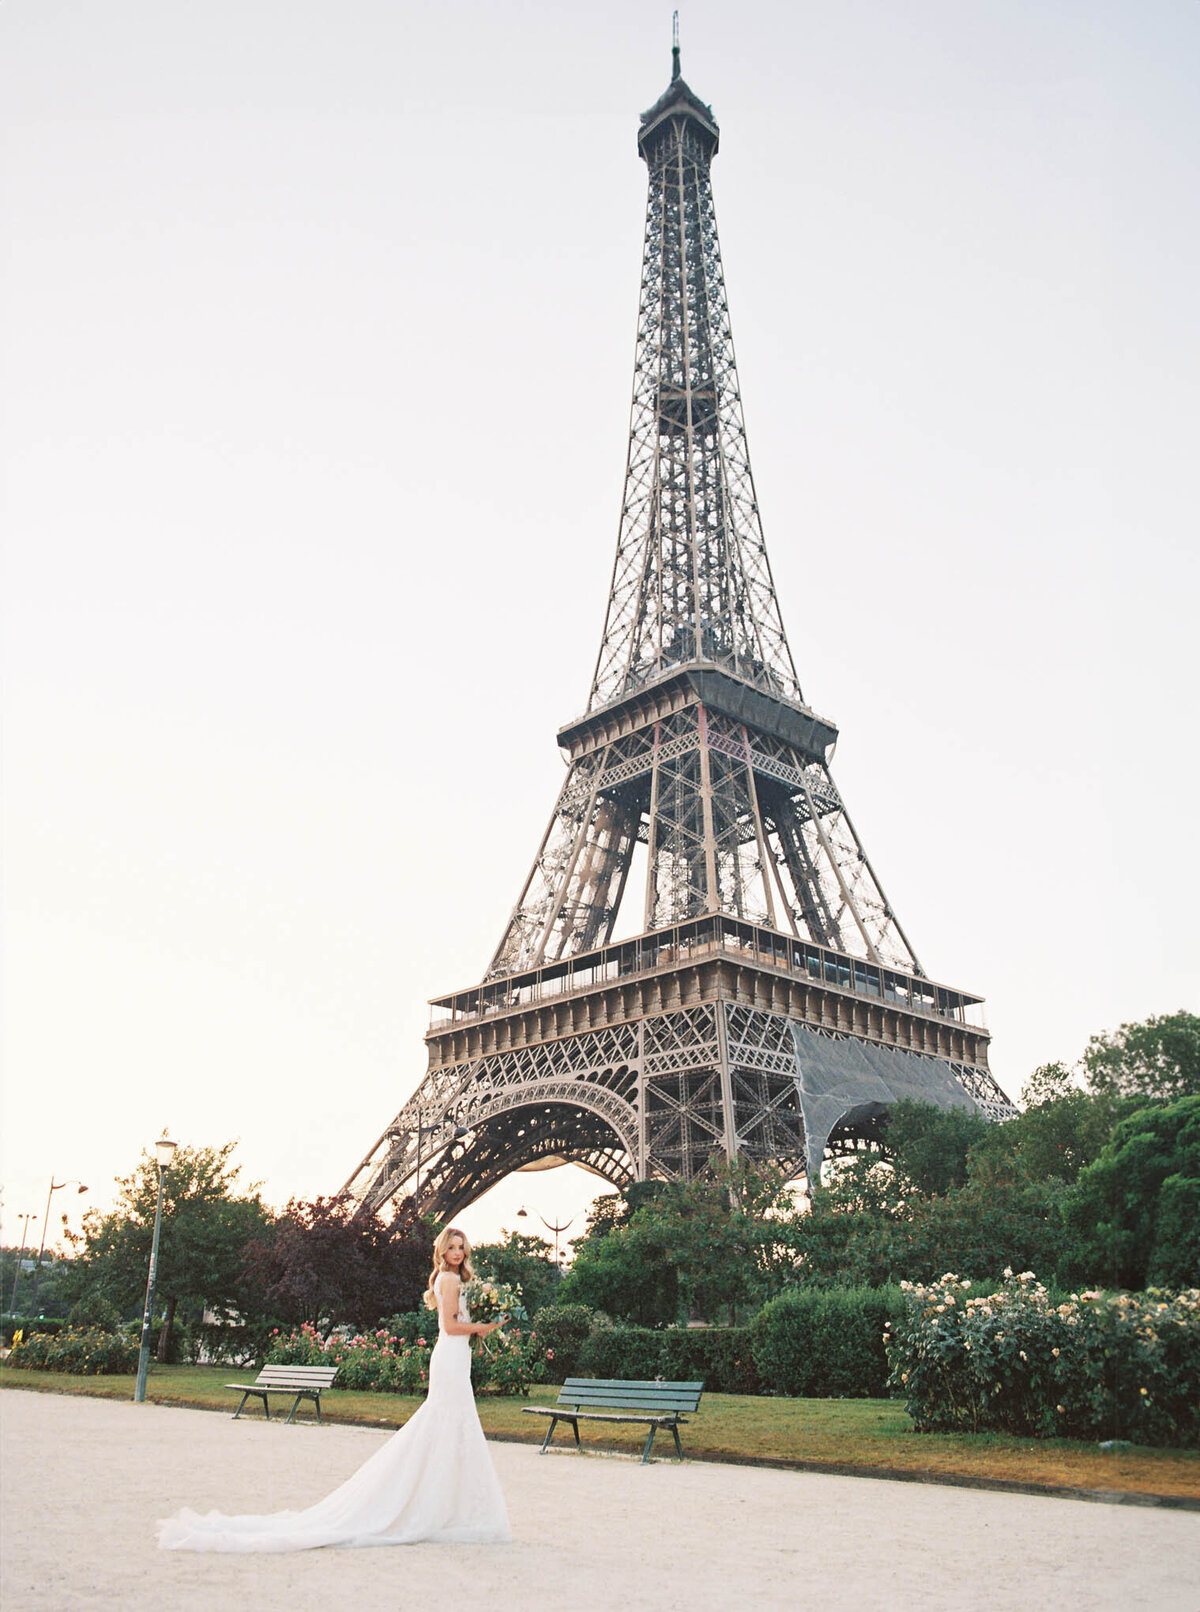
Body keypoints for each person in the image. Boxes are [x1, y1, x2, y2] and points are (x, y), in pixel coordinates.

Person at [157, 1226, 511, 1551]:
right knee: (447, 1425)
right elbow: (450, 1327)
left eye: (461, 1247)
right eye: (451, 1246)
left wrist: (479, 1326)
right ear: (442, 1250)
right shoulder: (448, 1281)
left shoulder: (450, 1279)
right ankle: (446, 1507)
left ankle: (440, 1505)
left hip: (453, 1360)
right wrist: (485, 1326)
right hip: (450, 1358)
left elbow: (453, 1326)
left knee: (447, 1427)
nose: (457, 1252)